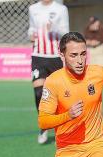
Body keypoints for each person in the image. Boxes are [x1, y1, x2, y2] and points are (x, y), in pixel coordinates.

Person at [28, 0, 69, 144]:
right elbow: (31, 29)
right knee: (39, 92)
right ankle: (44, 127)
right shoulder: (33, 8)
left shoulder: (61, 9)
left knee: (59, 95)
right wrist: (31, 35)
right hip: (38, 55)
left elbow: (65, 32)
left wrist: (55, 28)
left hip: (55, 57)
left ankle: (62, 125)